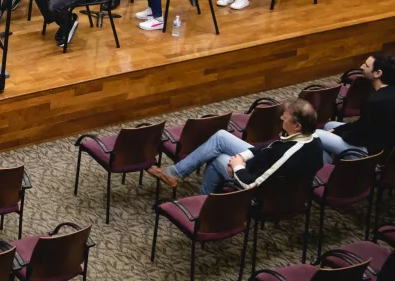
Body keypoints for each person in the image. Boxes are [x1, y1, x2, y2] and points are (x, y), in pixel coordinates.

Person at [148, 99, 323, 195]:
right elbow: (268, 148)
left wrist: (238, 166)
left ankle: (205, 204)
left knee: (218, 159)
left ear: (297, 126)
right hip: (260, 163)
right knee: (221, 137)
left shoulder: (289, 154)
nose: (281, 120)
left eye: (284, 118)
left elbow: (252, 184)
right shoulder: (311, 138)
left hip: (260, 186)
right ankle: (174, 173)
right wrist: (244, 156)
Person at [315, 53, 395, 162]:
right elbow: (363, 124)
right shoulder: (389, 93)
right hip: (380, 144)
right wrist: (338, 130)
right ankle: (331, 161)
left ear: (377, 73)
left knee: (316, 135)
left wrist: (339, 133)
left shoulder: (375, 101)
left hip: (368, 153)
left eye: (366, 66)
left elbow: (358, 135)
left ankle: (335, 169)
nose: (362, 67)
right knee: (329, 125)